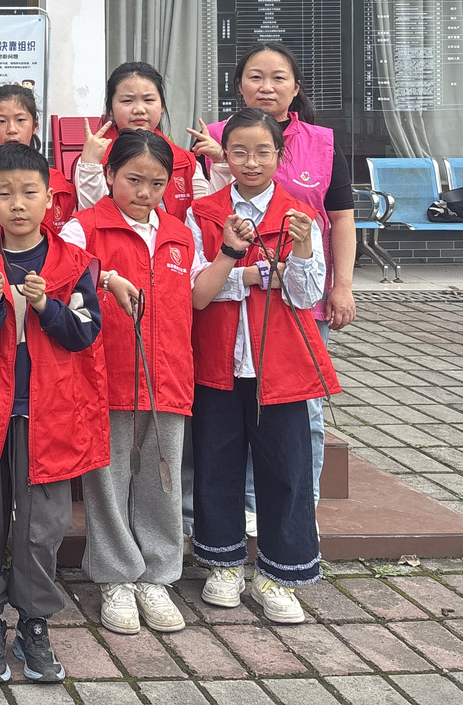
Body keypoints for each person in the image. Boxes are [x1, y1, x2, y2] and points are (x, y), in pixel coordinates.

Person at [0, 142, 106, 685]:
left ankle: (34, 623)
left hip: (49, 416)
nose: (17, 204)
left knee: (43, 526)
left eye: (29, 192)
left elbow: (85, 333)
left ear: (50, 198)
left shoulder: (73, 264)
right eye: (4, 193)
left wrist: (46, 306)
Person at [187, 109, 340, 626]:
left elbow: (305, 294)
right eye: (239, 152)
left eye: (262, 152)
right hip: (219, 361)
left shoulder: (301, 214)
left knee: (286, 470)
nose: (251, 162)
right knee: (216, 464)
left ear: (280, 155)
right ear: (224, 156)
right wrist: (255, 274)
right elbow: (199, 291)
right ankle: (224, 564)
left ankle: (280, 573)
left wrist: (301, 250)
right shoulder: (203, 213)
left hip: (282, 364)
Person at [191, 41, 357, 517]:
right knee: (233, 412)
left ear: (296, 87)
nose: (266, 86)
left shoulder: (322, 143)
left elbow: (341, 219)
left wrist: (342, 286)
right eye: (255, 76)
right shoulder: (212, 138)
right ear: (239, 84)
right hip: (226, 297)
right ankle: (246, 509)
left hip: (300, 291)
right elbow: (201, 211)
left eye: (278, 77)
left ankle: (300, 507)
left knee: (299, 407)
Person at [59, 130, 195, 638]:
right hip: (107, 376)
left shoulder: (180, 233)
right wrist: (103, 278)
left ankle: (157, 577)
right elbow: (59, 278)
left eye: (157, 184)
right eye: (133, 179)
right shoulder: (84, 227)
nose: (144, 192)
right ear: (110, 174)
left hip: (168, 377)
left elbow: (197, 296)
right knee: (109, 481)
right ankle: (116, 576)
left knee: (163, 479)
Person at [75, 62, 209, 225]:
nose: (139, 109)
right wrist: (90, 167)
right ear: (110, 108)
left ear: (162, 106)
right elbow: (90, 220)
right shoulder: (93, 160)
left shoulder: (186, 162)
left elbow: (207, 217)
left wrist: (221, 164)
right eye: (127, 100)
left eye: (148, 99)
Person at [0, 83, 76, 249]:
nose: (11, 129)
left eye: (20, 120)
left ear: (35, 125)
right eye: (1, 121)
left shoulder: (57, 183)